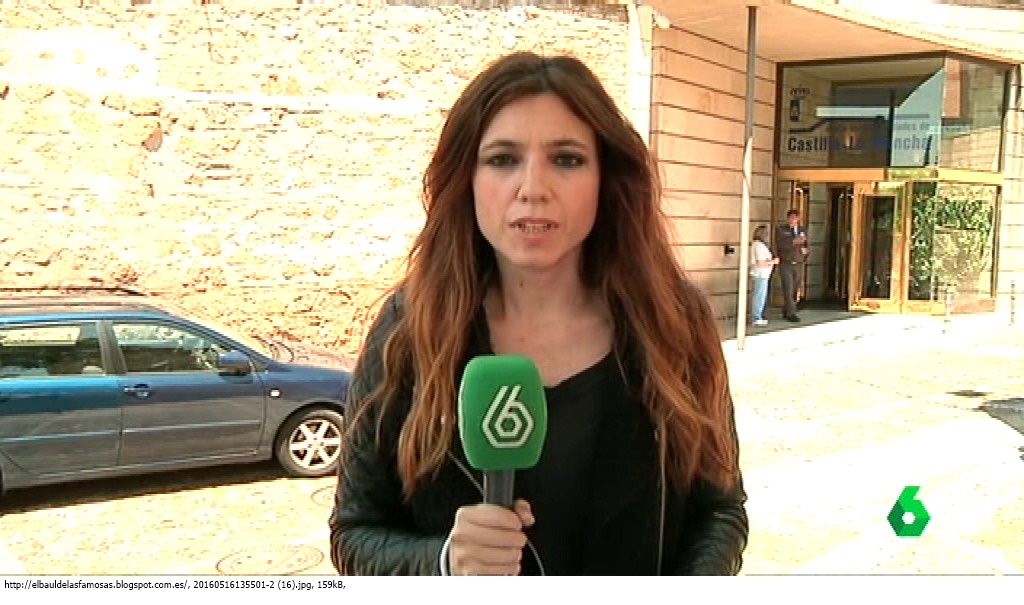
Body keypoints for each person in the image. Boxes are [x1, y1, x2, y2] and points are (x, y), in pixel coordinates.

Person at [328, 51, 748, 576]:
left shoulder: (674, 321)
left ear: (605, 177)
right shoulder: (410, 327)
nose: (532, 189)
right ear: (467, 177)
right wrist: (444, 561)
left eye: (567, 159)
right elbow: (355, 533)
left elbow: (720, 510)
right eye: (503, 159)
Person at [775, 208, 808, 322]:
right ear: (788, 218)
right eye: (791, 218)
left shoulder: (802, 229)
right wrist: (794, 241)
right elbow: (780, 244)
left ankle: (787, 309)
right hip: (786, 263)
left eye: (795, 218)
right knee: (788, 288)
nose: (793, 220)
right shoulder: (781, 229)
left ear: (798, 219)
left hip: (798, 263)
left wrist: (805, 252)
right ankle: (791, 313)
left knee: (795, 289)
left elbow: (806, 244)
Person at [749, 225, 778, 326]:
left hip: (761, 274)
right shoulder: (759, 246)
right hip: (761, 274)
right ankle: (756, 317)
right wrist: (773, 261)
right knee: (759, 297)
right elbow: (760, 263)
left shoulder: (757, 245)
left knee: (759, 296)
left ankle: (758, 316)